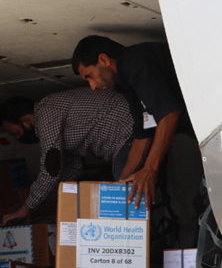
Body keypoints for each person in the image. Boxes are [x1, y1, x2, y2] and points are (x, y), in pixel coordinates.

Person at [71, 35, 200, 211]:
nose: (92, 86)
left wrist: (149, 170)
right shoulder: (126, 85)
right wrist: (117, 190)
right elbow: (144, 134)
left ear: (104, 60)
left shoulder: (137, 60)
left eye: (90, 76)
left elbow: (169, 114)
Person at [0, 87, 134, 225]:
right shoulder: (56, 120)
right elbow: (73, 168)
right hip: (127, 138)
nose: (18, 138)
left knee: (127, 204)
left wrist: (27, 206)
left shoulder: (46, 113)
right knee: (130, 201)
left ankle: (144, 244)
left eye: (16, 133)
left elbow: (51, 169)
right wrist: (41, 204)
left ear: (26, 121)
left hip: (128, 135)